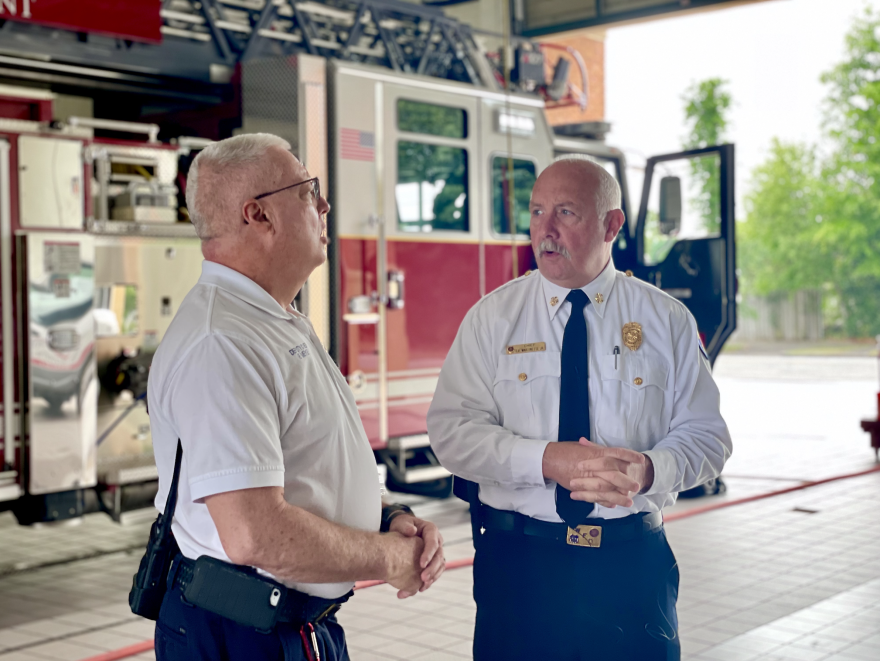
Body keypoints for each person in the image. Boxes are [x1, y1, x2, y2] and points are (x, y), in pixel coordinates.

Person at [147, 133, 445, 661]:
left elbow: (311, 471)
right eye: (308, 190)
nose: (324, 204)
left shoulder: (271, 318)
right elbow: (254, 535)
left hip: (282, 630)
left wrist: (386, 516)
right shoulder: (224, 341)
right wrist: (387, 557)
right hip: (242, 638)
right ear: (258, 215)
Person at [427, 156, 732, 660]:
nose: (545, 230)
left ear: (612, 224)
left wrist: (651, 469)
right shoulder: (492, 319)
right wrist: (547, 460)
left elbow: (708, 436)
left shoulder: (665, 320)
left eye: (565, 212)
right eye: (536, 211)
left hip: (629, 568)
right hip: (520, 569)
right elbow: (452, 433)